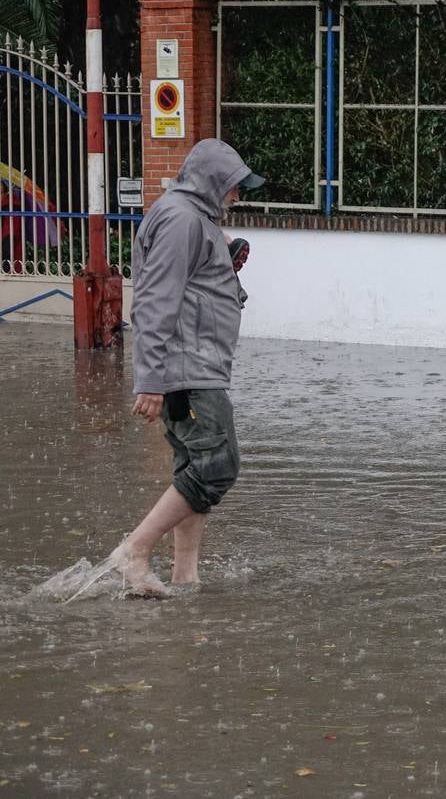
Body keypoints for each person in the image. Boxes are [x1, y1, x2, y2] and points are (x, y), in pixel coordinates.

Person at [112, 138, 263, 596]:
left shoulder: (191, 217)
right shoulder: (181, 219)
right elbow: (156, 300)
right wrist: (152, 378)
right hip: (189, 368)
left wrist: (223, 261)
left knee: (192, 470)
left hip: (195, 363)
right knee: (218, 466)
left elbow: (191, 285)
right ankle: (134, 551)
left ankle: (185, 577)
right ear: (213, 182)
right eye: (234, 186)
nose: (237, 195)